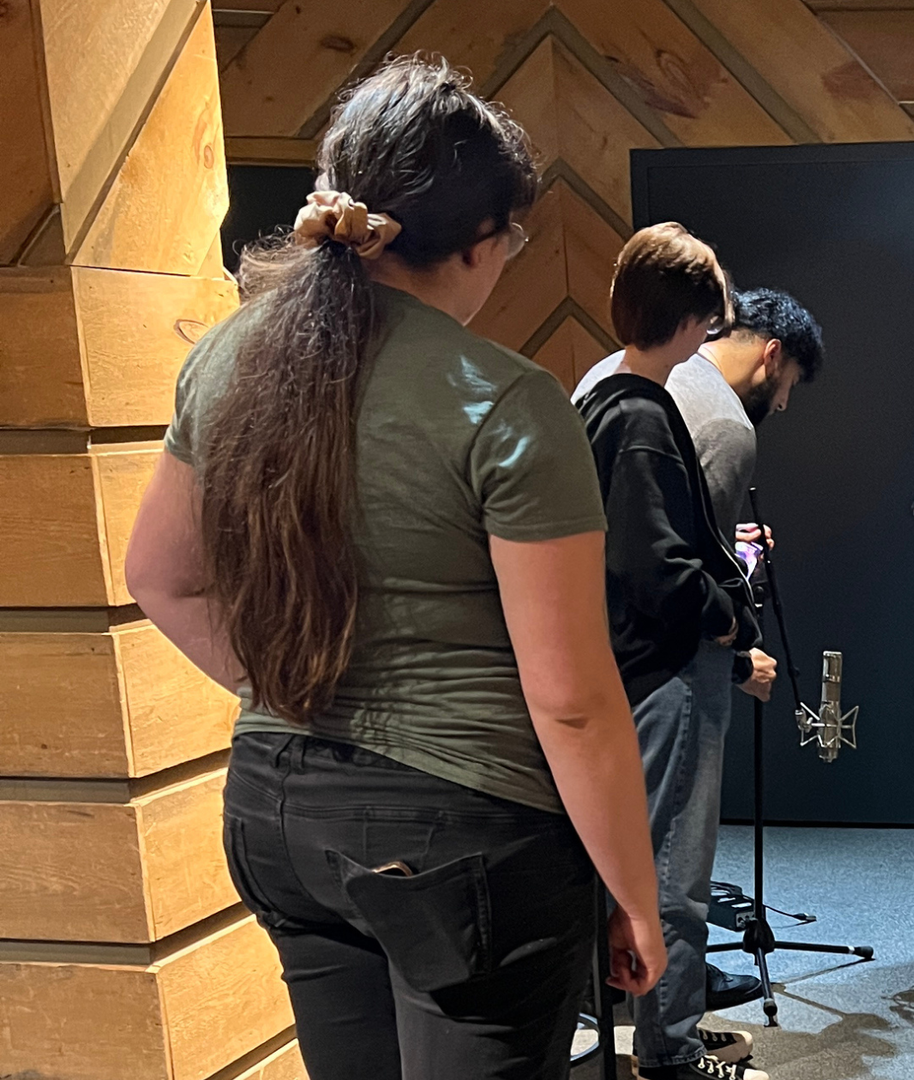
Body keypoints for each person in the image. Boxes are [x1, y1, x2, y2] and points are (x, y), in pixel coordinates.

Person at [123, 57, 667, 1080]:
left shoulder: (227, 358)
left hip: (277, 811)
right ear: (475, 242)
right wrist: (635, 894)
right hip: (461, 839)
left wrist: (288, 684)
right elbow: (572, 701)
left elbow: (160, 575)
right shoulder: (503, 400)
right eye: (509, 241)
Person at [574, 224, 779, 1080]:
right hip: (667, 676)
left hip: (625, 669)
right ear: (693, 319)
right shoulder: (642, 415)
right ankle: (671, 1051)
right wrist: (728, 622)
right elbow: (655, 566)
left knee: (634, 858)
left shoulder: (599, 399)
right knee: (672, 872)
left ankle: (656, 1035)